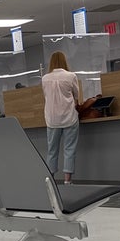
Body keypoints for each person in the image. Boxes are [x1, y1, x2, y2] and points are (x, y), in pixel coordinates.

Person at [42, 51, 79, 185]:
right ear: (64, 61)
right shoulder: (71, 76)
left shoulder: (45, 78)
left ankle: (50, 179)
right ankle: (67, 180)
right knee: (69, 149)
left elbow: (45, 96)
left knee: (52, 151)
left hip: (52, 120)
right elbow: (76, 95)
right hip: (69, 117)